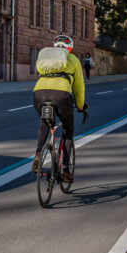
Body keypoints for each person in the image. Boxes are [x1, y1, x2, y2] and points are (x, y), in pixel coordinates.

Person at [32, 35, 86, 182]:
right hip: (61, 95)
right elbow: (79, 87)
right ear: (70, 49)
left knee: (45, 122)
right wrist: (80, 105)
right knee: (68, 131)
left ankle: (38, 154)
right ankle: (66, 171)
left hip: (39, 93)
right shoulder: (73, 59)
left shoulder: (47, 58)